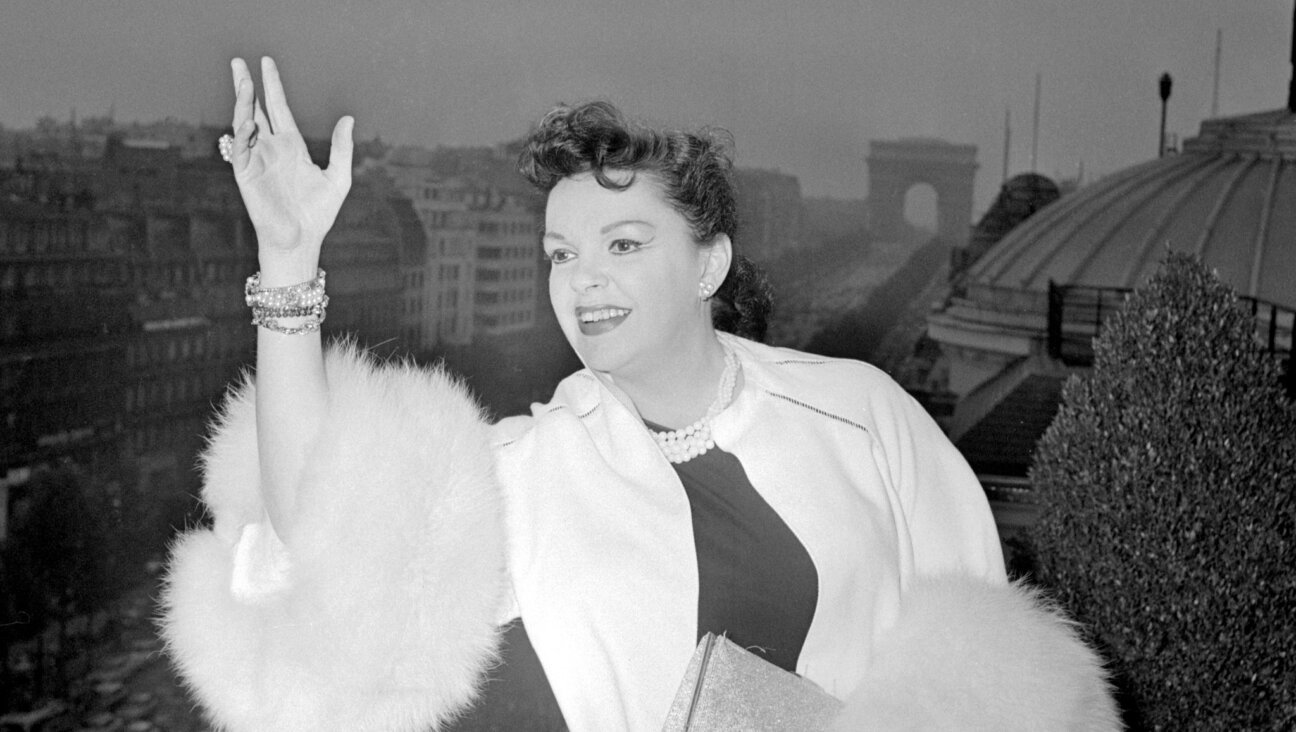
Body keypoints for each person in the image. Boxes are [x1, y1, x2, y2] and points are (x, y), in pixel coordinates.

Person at [162, 57, 1120, 732]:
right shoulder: (525, 467)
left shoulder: (864, 416)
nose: (584, 281)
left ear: (709, 262)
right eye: (561, 254)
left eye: (623, 245)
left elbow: (991, 679)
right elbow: (322, 538)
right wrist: (288, 265)